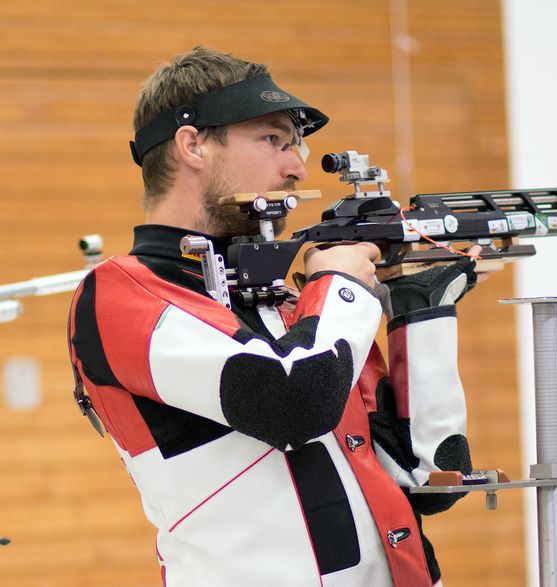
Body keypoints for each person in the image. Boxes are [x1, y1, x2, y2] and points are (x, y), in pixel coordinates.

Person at [67, 46, 479, 587]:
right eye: (273, 140)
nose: (298, 168)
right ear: (193, 145)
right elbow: (293, 402)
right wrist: (343, 283)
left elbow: (425, 476)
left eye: (296, 145)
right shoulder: (119, 294)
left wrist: (422, 305)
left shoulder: (289, 305)